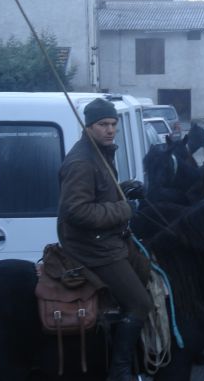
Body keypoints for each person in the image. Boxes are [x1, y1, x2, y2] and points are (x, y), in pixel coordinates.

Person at [57, 98, 152, 381]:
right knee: (141, 303)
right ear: (89, 127)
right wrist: (125, 208)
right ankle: (119, 371)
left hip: (107, 236)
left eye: (113, 124)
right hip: (89, 244)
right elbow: (76, 210)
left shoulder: (101, 152)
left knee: (146, 269)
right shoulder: (81, 162)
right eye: (103, 124)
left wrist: (123, 189)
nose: (110, 130)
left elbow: (98, 194)